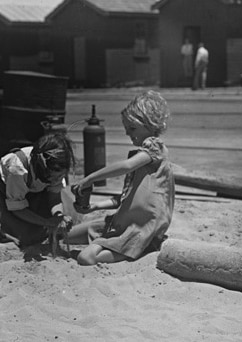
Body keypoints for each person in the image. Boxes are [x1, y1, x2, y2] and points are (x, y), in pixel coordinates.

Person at [68, 90, 175, 265]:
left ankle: (142, 249)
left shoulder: (154, 147)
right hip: (121, 222)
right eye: (126, 129)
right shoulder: (141, 157)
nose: (127, 134)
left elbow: (126, 166)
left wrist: (90, 178)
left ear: (150, 124)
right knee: (66, 235)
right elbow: (123, 198)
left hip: (139, 228)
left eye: (132, 128)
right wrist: (95, 206)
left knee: (86, 257)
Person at [0, 133, 76, 248]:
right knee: (22, 236)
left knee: (64, 221)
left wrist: (57, 216)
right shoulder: (17, 169)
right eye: (53, 177)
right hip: (7, 187)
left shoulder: (57, 167)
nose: (57, 180)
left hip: (35, 185)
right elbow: (18, 208)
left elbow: (54, 197)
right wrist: (47, 222)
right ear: (42, 169)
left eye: (60, 176)